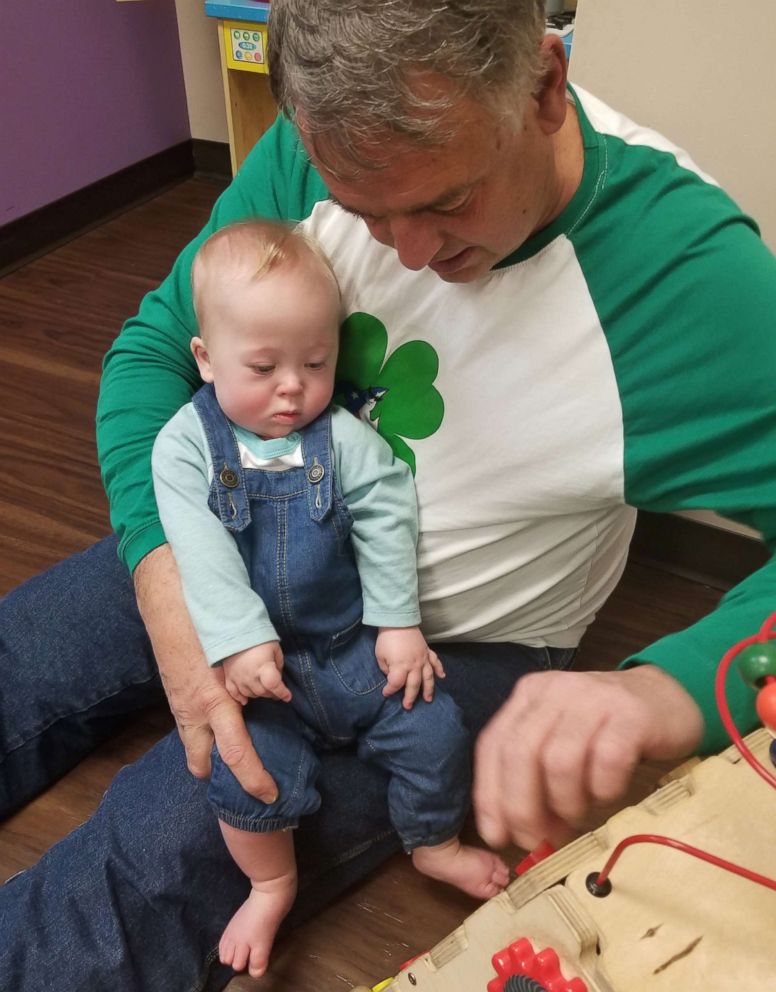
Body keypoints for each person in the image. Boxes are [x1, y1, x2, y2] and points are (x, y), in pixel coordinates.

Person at [1, 1, 775, 988]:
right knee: (24, 654)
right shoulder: (328, 134)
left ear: (541, 84)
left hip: (442, 643)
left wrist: (664, 683)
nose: (404, 255)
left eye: (445, 202)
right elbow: (157, 348)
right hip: (245, 529)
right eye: (364, 214)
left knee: (155, 854)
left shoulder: (688, 283)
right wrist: (163, 573)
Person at [151, 220, 508, 977]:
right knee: (241, 772)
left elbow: (387, 512)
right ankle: (270, 882)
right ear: (207, 361)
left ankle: (433, 842)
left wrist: (397, 622)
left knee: (435, 726)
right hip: (258, 674)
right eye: (264, 365)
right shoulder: (185, 447)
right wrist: (240, 640)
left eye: (315, 362)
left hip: (349, 647)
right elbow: (199, 549)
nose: (293, 386)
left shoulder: (340, 439)